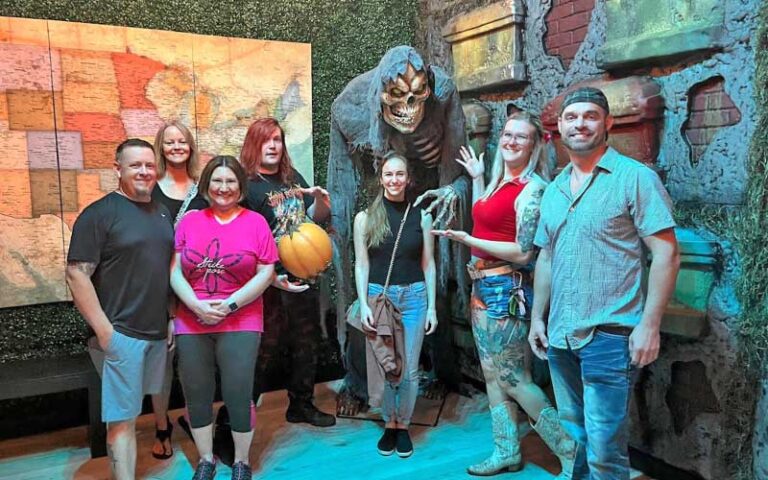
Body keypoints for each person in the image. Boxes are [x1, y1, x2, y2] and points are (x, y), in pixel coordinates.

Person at [529, 87, 680, 480]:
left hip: (609, 335)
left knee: (605, 450)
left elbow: (666, 253)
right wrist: (537, 320)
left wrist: (649, 325)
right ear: (560, 126)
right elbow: (547, 256)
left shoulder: (635, 179)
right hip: (561, 335)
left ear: (607, 123)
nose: (580, 123)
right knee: (578, 434)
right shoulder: (554, 189)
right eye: (572, 117)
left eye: (591, 115)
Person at [434, 112, 577, 477]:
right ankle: (507, 451)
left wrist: (467, 241)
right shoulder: (500, 182)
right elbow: (488, 218)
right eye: (508, 134)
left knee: (514, 377)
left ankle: (569, 450)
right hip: (482, 285)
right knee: (492, 374)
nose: (511, 141)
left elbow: (524, 251)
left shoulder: (533, 189)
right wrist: (480, 179)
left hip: (505, 288)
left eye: (521, 137)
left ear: (534, 145)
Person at [66, 139, 174, 480]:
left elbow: (164, 268)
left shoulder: (160, 211)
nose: (143, 171)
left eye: (148, 165)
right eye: (134, 165)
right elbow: (76, 273)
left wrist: (169, 317)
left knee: (138, 410)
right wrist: (105, 332)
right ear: (118, 169)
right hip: (121, 333)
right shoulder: (99, 214)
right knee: (123, 422)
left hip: (157, 331)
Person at [171, 156, 277, 480]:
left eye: (231, 181)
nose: (224, 187)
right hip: (191, 320)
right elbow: (174, 270)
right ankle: (206, 459)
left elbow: (267, 271)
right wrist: (196, 305)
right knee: (196, 391)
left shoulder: (256, 223)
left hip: (241, 321)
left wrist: (229, 305)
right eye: (217, 181)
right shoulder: (189, 221)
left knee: (238, 392)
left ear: (240, 187)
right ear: (206, 185)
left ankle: (242, 461)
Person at [241, 117, 335, 427]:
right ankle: (237, 418)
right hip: (269, 281)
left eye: (277, 139)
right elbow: (243, 240)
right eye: (266, 140)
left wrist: (321, 202)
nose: (272, 145)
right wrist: (271, 278)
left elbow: (313, 221)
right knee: (262, 352)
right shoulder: (245, 185)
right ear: (254, 144)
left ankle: (301, 405)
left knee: (306, 343)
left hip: (302, 274)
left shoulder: (291, 177)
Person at [353, 152, 437, 458]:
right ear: (381, 178)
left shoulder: (422, 216)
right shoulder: (365, 218)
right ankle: (389, 422)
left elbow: (428, 264)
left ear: (408, 178)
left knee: (410, 369)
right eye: (389, 174)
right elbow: (361, 265)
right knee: (387, 365)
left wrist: (432, 308)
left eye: (399, 174)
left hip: (414, 297)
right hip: (380, 298)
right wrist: (363, 304)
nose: (394, 180)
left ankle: (403, 425)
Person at [149, 121, 207, 460]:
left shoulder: (203, 188)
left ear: (190, 147)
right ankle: (161, 425)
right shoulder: (149, 187)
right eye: (169, 142)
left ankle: (197, 420)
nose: (176, 147)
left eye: (182, 141)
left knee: (195, 361)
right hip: (157, 285)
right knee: (163, 361)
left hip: (196, 285)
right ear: (161, 147)